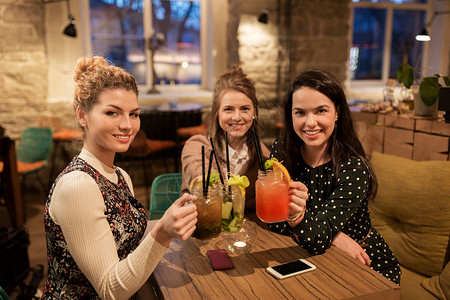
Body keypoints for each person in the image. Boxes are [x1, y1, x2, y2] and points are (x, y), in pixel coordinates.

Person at [41, 56, 198, 299]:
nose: (127, 125)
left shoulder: (120, 176)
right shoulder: (77, 186)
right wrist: (163, 232)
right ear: (82, 116)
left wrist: (170, 223)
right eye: (112, 112)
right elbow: (110, 290)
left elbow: (126, 244)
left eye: (134, 114)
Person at [269, 69, 400, 284]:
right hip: (311, 257)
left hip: (362, 262)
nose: (310, 123)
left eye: (321, 110)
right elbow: (274, 220)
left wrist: (317, 230)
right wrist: (336, 237)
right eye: (300, 112)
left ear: (337, 113)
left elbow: (317, 238)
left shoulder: (354, 167)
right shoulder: (282, 152)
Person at [181, 66, 269, 209]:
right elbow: (202, 179)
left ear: (254, 113)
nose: (237, 117)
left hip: (249, 228)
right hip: (203, 225)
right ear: (217, 113)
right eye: (228, 109)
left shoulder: (262, 153)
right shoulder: (197, 146)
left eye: (245, 109)